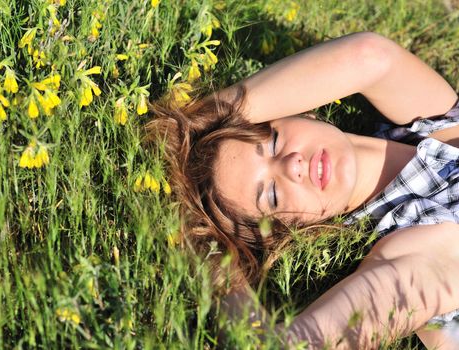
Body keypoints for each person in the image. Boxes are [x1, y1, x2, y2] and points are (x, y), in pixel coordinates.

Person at [148, 32, 459, 348]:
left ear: (301, 110)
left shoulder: (440, 127)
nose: (291, 165)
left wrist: (195, 120)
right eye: (272, 195)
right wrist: (216, 263)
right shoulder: (426, 250)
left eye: (273, 143)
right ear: (286, 231)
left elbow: (370, 56)